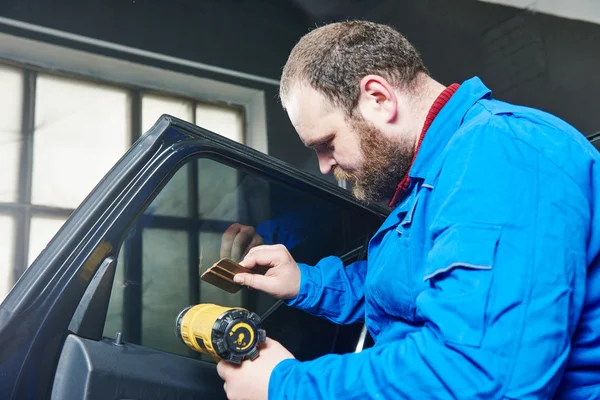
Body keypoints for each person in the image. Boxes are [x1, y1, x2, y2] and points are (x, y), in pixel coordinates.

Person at [216, 20, 600, 399]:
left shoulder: (504, 156)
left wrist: (285, 386)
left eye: (327, 142)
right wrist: (306, 282)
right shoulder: (434, 174)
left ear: (379, 98)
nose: (323, 164)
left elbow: (480, 375)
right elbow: (408, 286)